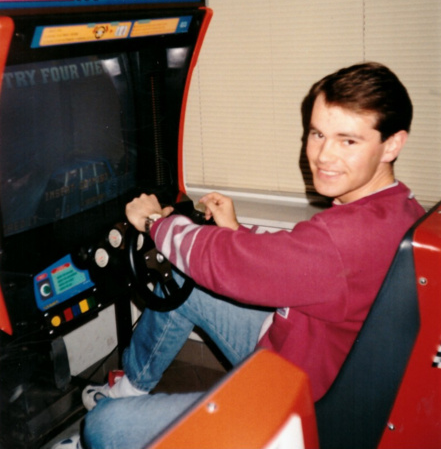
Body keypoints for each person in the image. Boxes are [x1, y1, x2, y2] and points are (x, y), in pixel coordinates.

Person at [54, 62, 425, 449]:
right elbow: (296, 257)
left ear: (392, 144)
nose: (323, 156)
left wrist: (153, 223)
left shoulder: (345, 239)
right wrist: (234, 232)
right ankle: (130, 387)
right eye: (318, 134)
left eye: (348, 141)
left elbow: (230, 261)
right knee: (182, 274)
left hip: (302, 408)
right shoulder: (398, 207)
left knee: (102, 427)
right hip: (302, 351)